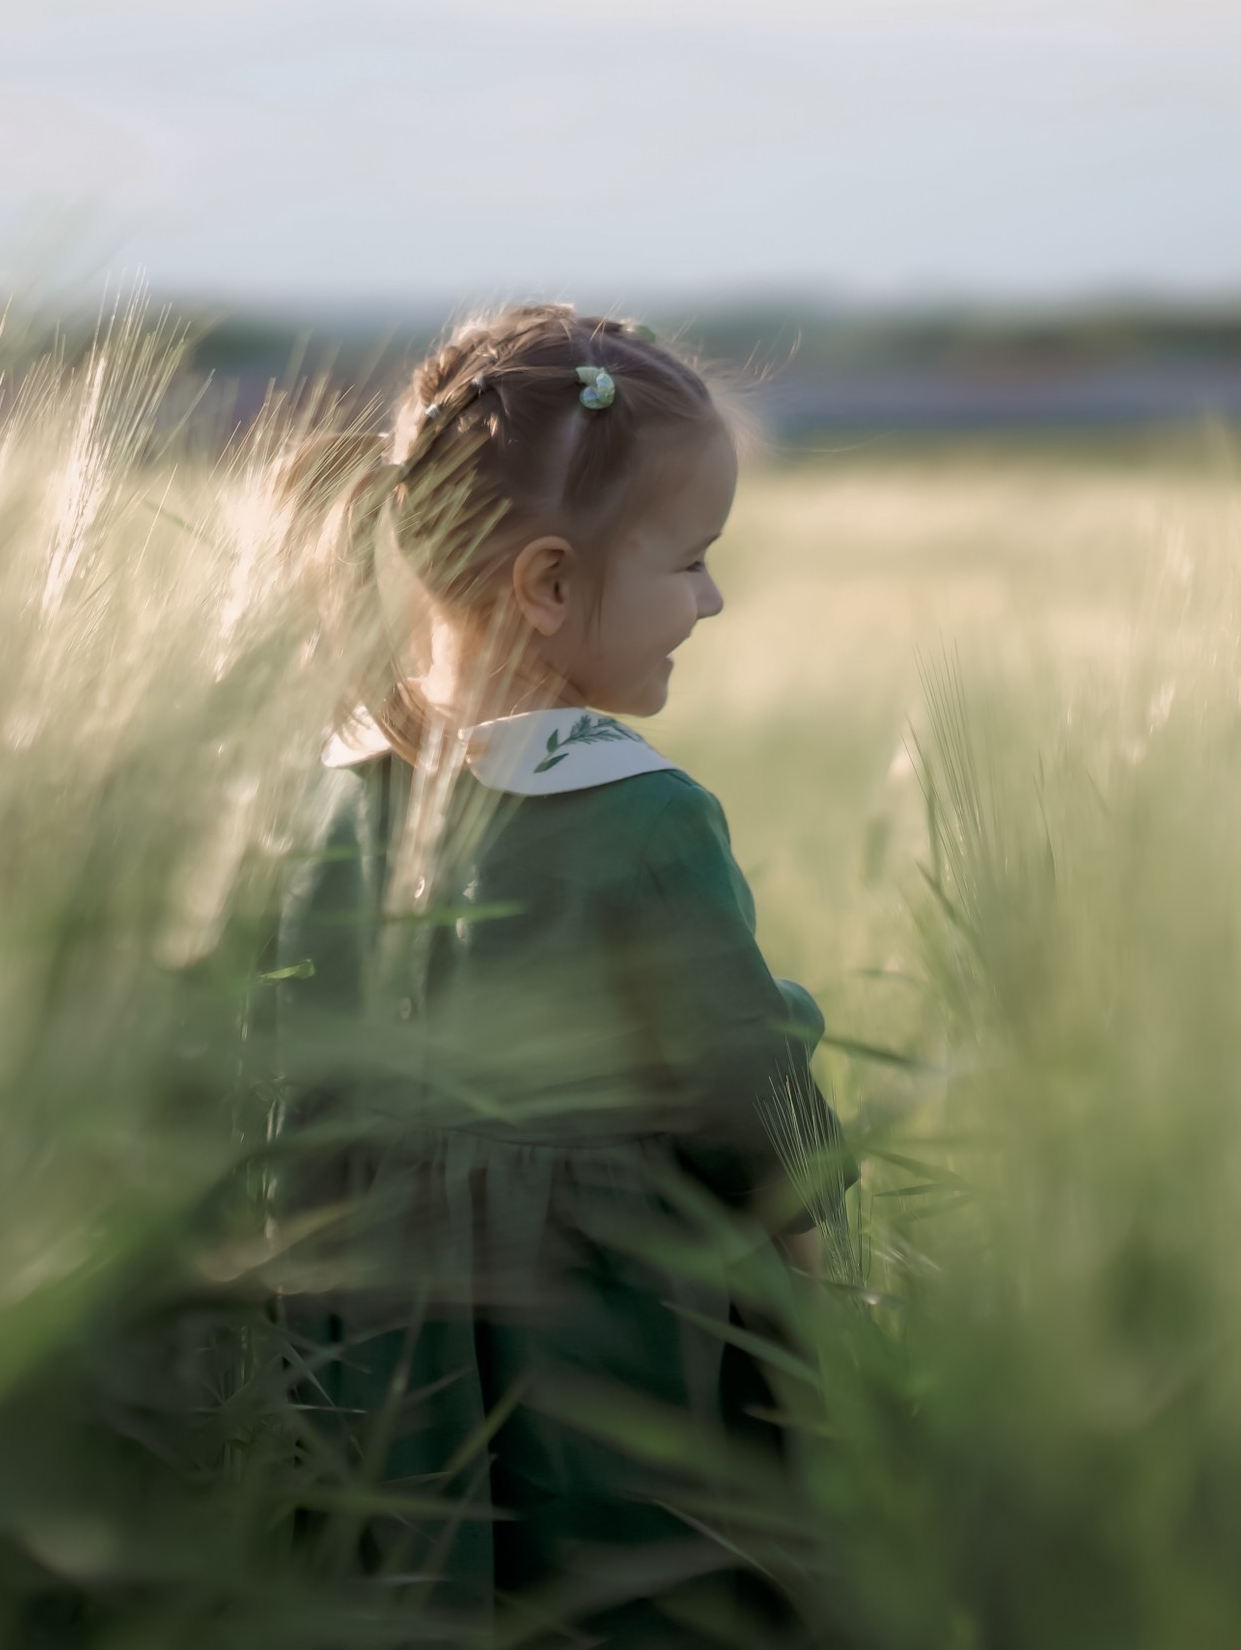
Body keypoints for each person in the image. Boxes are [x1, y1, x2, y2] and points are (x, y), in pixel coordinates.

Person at [254, 303, 851, 1645]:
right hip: (592, 1338)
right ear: (546, 585)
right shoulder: (641, 817)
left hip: (358, 1345)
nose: (711, 600)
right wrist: (823, 1285)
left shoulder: (325, 792)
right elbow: (753, 1085)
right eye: (690, 562)